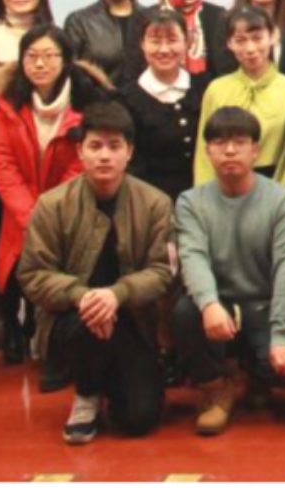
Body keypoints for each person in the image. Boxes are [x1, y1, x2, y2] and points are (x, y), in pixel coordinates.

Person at [19, 102, 175, 445]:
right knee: (89, 321)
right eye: (95, 146)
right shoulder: (52, 205)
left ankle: (117, 381)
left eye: (114, 146)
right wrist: (84, 297)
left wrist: (117, 294)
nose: (104, 156)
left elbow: (163, 271)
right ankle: (86, 395)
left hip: (132, 319)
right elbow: (33, 274)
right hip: (71, 320)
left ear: (129, 152)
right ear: (80, 151)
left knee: (138, 419)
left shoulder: (155, 203)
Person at [0, 24, 113, 384]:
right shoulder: (6, 102)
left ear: (66, 60)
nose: (40, 64)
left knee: (65, 271)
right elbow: (1, 163)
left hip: (71, 205)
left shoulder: (89, 100)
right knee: (15, 266)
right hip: (19, 208)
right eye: (32, 56)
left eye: (50, 56)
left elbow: (83, 160)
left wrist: (50, 211)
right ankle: (14, 328)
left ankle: (54, 344)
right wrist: (30, 215)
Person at [173, 106, 285, 437]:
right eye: (220, 143)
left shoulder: (282, 201)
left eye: (240, 142)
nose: (230, 151)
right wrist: (209, 303)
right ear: (207, 151)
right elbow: (193, 257)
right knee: (184, 312)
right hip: (219, 306)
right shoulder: (190, 202)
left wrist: (281, 335)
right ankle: (216, 387)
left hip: (263, 304)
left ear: (255, 150)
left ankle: (256, 375)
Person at [192, 7, 285, 185]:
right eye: (240, 40)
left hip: (274, 184)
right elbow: (204, 150)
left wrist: (281, 195)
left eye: (257, 38)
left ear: (273, 36)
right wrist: (205, 193)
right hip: (224, 184)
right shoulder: (216, 89)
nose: (250, 48)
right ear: (229, 43)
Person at [119, 8, 208, 201]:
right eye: (155, 41)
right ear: (142, 44)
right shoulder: (125, 99)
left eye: (172, 40)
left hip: (202, 198)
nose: (164, 49)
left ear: (187, 42)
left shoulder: (204, 88)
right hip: (148, 202)